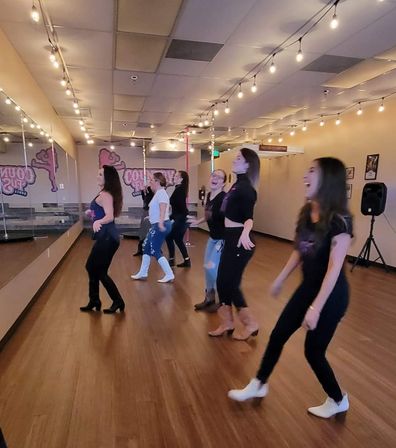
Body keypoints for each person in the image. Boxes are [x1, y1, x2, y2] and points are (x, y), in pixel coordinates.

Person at [228, 157, 353, 419]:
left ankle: (338, 399)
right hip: (308, 287)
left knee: (313, 350)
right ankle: (259, 384)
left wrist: (316, 308)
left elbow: (333, 269)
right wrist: (281, 278)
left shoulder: (340, 220)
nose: (304, 176)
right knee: (278, 335)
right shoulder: (307, 212)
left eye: (311, 171)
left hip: (332, 295)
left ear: (328, 179)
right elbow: (300, 250)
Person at [209, 148, 260, 340]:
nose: (234, 160)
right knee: (222, 282)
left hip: (240, 240)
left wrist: (246, 232)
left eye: (239, 158)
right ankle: (227, 323)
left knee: (231, 284)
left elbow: (249, 217)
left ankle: (250, 324)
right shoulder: (236, 185)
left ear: (248, 165)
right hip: (230, 238)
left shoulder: (247, 188)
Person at [80, 165, 125, 314]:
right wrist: (91, 214)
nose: (97, 176)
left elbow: (109, 216)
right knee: (92, 268)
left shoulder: (106, 194)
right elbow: (100, 213)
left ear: (107, 178)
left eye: (100, 174)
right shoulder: (103, 193)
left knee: (98, 271)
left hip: (108, 238)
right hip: (106, 237)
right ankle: (94, 300)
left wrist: (98, 221)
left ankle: (117, 301)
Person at [189, 169, 227, 312]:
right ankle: (209, 298)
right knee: (207, 267)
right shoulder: (210, 196)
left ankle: (223, 299)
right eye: (213, 175)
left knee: (212, 267)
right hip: (212, 237)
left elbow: (229, 219)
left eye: (219, 177)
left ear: (223, 183)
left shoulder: (225, 198)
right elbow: (208, 216)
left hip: (222, 239)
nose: (215, 178)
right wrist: (196, 222)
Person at [131, 172, 174, 283]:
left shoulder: (161, 193)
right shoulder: (159, 193)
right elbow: (158, 209)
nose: (149, 183)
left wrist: (159, 223)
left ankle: (169, 274)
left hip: (161, 224)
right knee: (146, 248)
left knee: (155, 250)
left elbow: (163, 208)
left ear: (157, 181)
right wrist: (150, 216)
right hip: (157, 223)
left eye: (151, 180)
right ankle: (143, 272)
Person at [166, 170, 191, 268]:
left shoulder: (179, 189)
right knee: (178, 239)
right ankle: (187, 261)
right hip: (181, 218)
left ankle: (171, 260)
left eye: (176, 176)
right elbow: (177, 208)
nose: (174, 177)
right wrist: (171, 217)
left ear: (181, 179)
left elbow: (181, 208)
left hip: (181, 219)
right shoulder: (179, 188)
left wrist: (175, 218)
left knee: (169, 237)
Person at [133, 185, 154, 256]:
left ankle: (155, 249)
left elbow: (148, 199)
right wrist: (143, 191)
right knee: (142, 232)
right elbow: (144, 199)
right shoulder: (148, 196)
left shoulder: (152, 195)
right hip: (145, 212)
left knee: (150, 231)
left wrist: (145, 190)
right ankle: (140, 250)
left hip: (149, 213)